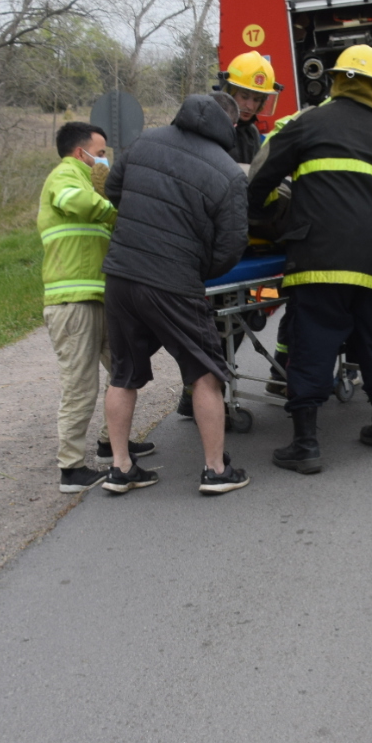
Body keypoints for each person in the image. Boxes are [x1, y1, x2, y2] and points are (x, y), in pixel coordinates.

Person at [247, 44, 372, 473]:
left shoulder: (309, 121)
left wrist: (261, 218)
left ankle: (306, 444)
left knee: (312, 344)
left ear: (336, 80)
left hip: (318, 256)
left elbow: (259, 175)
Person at [100, 94, 251, 496]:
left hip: (120, 274)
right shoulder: (228, 172)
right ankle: (216, 470)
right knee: (204, 371)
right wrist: (197, 267)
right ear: (230, 125)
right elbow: (232, 245)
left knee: (123, 371)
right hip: (173, 280)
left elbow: (113, 190)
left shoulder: (144, 142)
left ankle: (120, 468)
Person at [38, 121, 156, 495]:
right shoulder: (64, 176)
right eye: (100, 153)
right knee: (80, 386)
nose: (104, 161)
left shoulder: (88, 180)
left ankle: (111, 444)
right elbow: (81, 204)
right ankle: (70, 468)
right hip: (73, 303)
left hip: (99, 298)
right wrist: (117, 209)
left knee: (122, 371)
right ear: (80, 153)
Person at [220, 50, 283, 163]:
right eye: (244, 97)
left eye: (257, 100)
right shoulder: (214, 126)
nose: (250, 106)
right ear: (230, 93)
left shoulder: (251, 132)